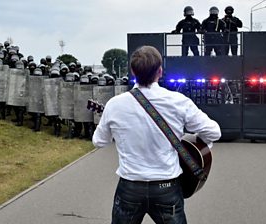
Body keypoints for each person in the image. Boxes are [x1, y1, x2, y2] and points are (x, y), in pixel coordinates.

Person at [92, 46, 221, 223]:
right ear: (160, 71)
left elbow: (99, 141)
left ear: (132, 71)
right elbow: (214, 132)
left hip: (130, 186)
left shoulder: (115, 104)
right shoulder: (178, 101)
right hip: (167, 186)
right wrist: (196, 143)